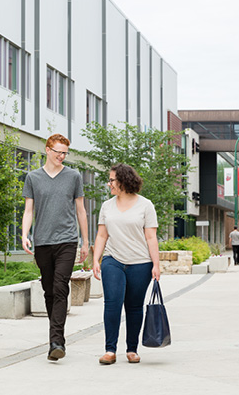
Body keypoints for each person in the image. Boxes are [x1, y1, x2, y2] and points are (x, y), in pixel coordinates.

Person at [21, 133, 89, 361]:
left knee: (61, 287)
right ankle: (56, 336)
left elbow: (81, 210)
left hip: (67, 241)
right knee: (49, 290)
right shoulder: (33, 177)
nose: (62, 156)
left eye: (65, 153)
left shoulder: (73, 176)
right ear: (47, 150)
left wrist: (85, 241)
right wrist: (24, 234)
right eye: (58, 151)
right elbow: (29, 210)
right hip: (43, 241)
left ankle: (56, 341)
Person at [92, 163, 160, 365]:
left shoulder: (145, 205)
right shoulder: (107, 206)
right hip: (113, 260)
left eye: (112, 180)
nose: (109, 183)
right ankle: (110, 350)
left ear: (123, 180)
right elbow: (102, 234)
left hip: (140, 263)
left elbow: (151, 237)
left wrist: (156, 265)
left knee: (134, 307)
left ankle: (132, 349)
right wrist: (96, 259)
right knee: (112, 304)